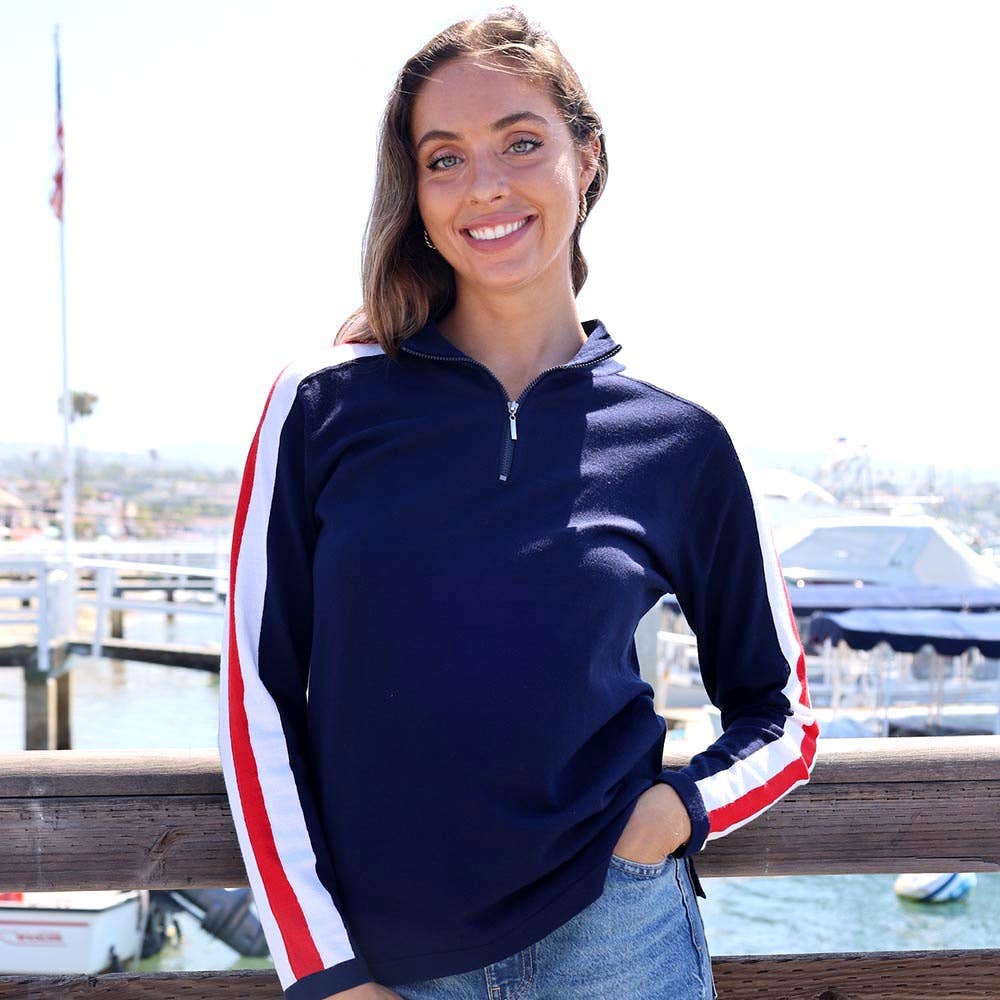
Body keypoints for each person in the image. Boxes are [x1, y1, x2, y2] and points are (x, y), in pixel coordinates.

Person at [218, 7, 820, 1000]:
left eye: (522, 142)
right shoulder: (320, 404)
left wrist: (671, 813)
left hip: (622, 940)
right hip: (391, 964)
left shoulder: (679, 440)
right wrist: (325, 970)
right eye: (444, 158)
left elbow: (782, 714)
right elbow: (255, 699)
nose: (485, 185)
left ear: (588, 158)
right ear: (415, 192)